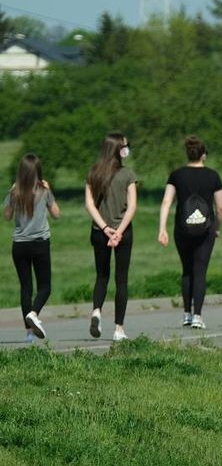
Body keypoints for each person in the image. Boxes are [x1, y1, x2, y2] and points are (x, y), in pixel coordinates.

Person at [158, 135, 222, 329]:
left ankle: (187, 313)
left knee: (186, 270)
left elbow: (166, 202)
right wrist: (217, 228)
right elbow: (220, 208)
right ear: (203, 155)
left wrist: (162, 229)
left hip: (182, 228)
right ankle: (198, 316)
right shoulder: (213, 176)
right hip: (206, 229)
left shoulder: (176, 175)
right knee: (200, 271)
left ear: (188, 154)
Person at [84, 132, 138, 341]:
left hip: (99, 232)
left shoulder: (93, 173)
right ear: (117, 149)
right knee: (121, 280)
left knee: (102, 275)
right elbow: (132, 206)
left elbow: (89, 204)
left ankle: (96, 310)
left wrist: (105, 227)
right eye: (124, 145)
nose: (127, 148)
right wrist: (119, 231)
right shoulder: (128, 174)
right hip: (123, 232)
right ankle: (119, 329)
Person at [4, 153, 60, 342]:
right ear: (38, 172)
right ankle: (34, 314)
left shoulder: (15, 192)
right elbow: (56, 214)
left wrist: (11, 193)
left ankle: (29, 333)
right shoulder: (43, 191)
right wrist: (49, 190)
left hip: (19, 245)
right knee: (45, 286)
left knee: (26, 288)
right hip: (39, 243)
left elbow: (7, 216)